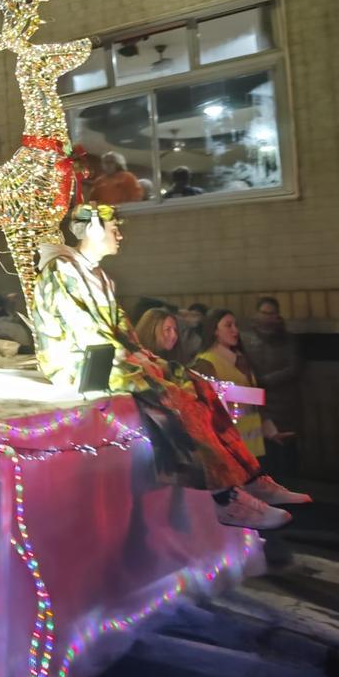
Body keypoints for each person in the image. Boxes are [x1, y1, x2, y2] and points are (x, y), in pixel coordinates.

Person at [32, 203, 309, 530]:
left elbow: (120, 328)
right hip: (83, 364)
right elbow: (84, 330)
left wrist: (141, 353)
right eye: (113, 228)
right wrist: (134, 358)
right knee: (171, 397)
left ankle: (249, 475)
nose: (120, 235)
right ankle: (225, 497)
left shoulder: (99, 275)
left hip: (110, 355)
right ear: (92, 229)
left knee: (198, 385)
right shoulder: (62, 269)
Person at [191, 309, 267, 458]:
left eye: (235, 325)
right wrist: (254, 396)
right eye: (228, 325)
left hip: (253, 441)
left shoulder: (241, 358)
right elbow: (209, 399)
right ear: (215, 330)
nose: (235, 330)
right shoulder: (206, 362)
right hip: (231, 444)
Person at [239, 296, 302, 443]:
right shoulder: (245, 339)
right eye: (264, 313)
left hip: (285, 403)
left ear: (277, 315)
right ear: (257, 314)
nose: (267, 318)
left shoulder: (289, 340)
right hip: (256, 401)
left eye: (271, 314)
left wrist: (265, 381)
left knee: (286, 446)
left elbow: (294, 368)